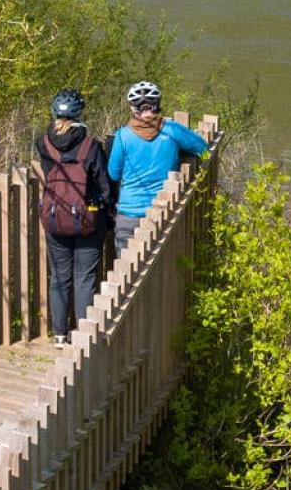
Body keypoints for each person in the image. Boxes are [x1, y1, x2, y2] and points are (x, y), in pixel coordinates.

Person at [36, 88, 112, 346]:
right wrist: (108, 213)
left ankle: (59, 335)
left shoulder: (43, 143)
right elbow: (104, 185)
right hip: (87, 221)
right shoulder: (91, 146)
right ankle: (82, 336)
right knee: (84, 278)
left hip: (55, 218)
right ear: (80, 113)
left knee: (59, 278)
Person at [106, 80, 209, 253]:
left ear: (133, 109)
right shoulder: (171, 130)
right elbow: (203, 147)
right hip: (162, 211)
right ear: (158, 105)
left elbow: (113, 174)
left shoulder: (123, 136)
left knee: (126, 269)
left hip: (129, 212)